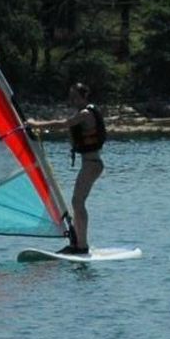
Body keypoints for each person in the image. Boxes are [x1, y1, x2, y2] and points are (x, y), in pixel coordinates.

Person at [30, 84, 108, 253]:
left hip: (92, 165)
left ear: (84, 96)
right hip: (89, 164)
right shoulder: (83, 112)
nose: (72, 100)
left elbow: (63, 124)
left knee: (77, 202)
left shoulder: (85, 114)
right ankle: (78, 242)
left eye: (75, 97)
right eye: (70, 96)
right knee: (77, 202)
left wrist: (36, 124)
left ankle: (81, 245)